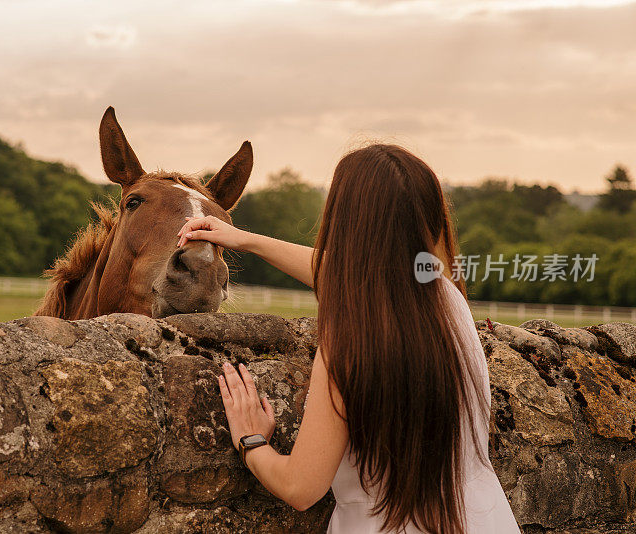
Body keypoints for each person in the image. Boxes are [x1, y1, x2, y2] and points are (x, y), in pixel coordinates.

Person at [175, 144, 520, 533]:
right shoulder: (445, 295)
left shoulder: (351, 339)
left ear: (344, 219)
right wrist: (247, 240)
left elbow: (300, 487)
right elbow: (346, 272)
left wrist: (251, 441)